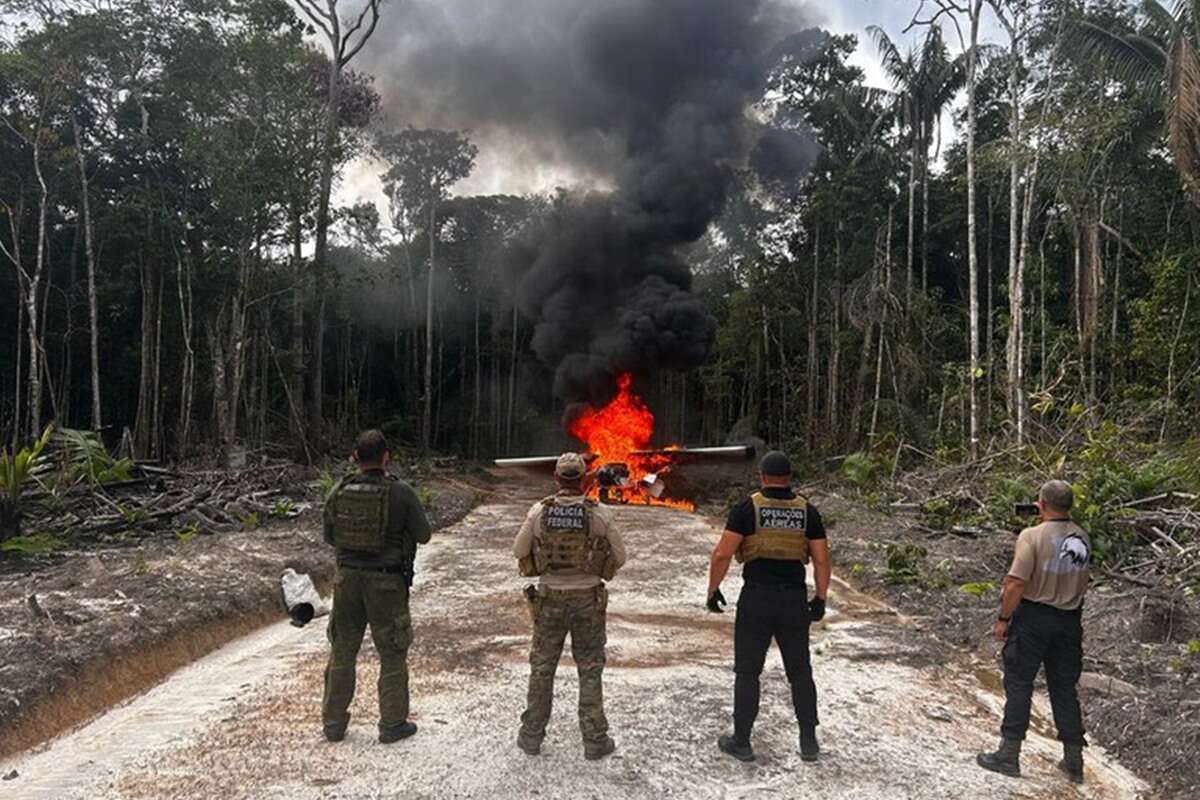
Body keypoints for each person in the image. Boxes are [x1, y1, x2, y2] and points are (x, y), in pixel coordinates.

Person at [706, 450, 831, 764]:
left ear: (761, 477)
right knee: (800, 672)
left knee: (748, 672)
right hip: (792, 600)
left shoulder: (748, 509)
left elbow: (722, 554)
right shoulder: (808, 511)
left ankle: (742, 741)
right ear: (789, 478)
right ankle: (808, 742)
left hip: (756, 600)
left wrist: (713, 589)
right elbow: (821, 559)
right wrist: (820, 598)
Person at [321, 429, 432, 744]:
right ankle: (392, 723)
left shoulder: (339, 490)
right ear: (387, 457)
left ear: (355, 458)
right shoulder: (402, 492)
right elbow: (424, 535)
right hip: (386, 582)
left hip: (347, 580)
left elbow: (329, 535)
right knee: (392, 652)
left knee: (342, 650)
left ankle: (333, 723)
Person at [513, 452, 626, 760]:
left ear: (556, 478)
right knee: (590, 669)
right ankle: (594, 741)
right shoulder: (598, 513)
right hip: (587, 600)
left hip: (549, 600)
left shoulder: (539, 511)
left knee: (542, 668)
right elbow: (621, 556)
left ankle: (531, 737)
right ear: (585, 478)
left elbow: (518, 550)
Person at [977, 479, 1092, 783]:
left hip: (1034, 619)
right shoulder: (1082, 536)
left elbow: (1016, 581)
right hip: (1069, 620)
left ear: (1041, 504)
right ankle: (1073, 759)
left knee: (1020, 682)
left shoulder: (1032, 536)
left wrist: (1004, 617)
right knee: (1064, 688)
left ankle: (1009, 753)